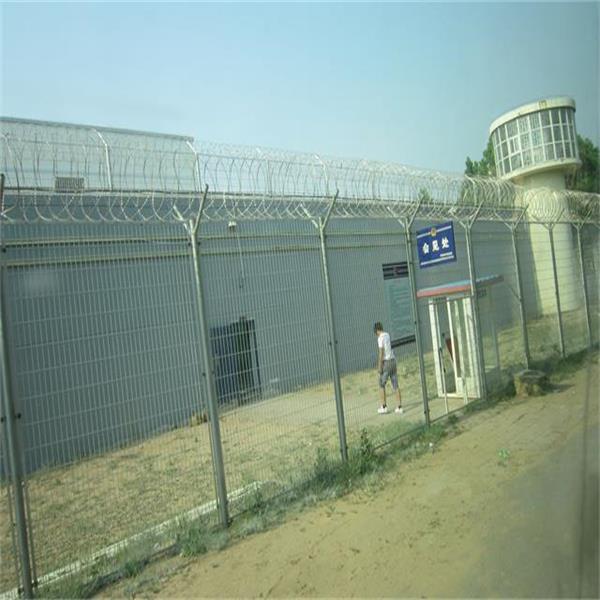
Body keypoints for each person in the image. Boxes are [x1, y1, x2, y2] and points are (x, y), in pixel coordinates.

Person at [374, 322, 403, 415]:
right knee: (395, 385)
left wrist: (379, 367)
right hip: (393, 361)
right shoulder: (387, 335)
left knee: (381, 384)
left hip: (386, 363)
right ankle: (399, 407)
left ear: (376, 331)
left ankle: (383, 406)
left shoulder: (380, 338)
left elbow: (381, 353)